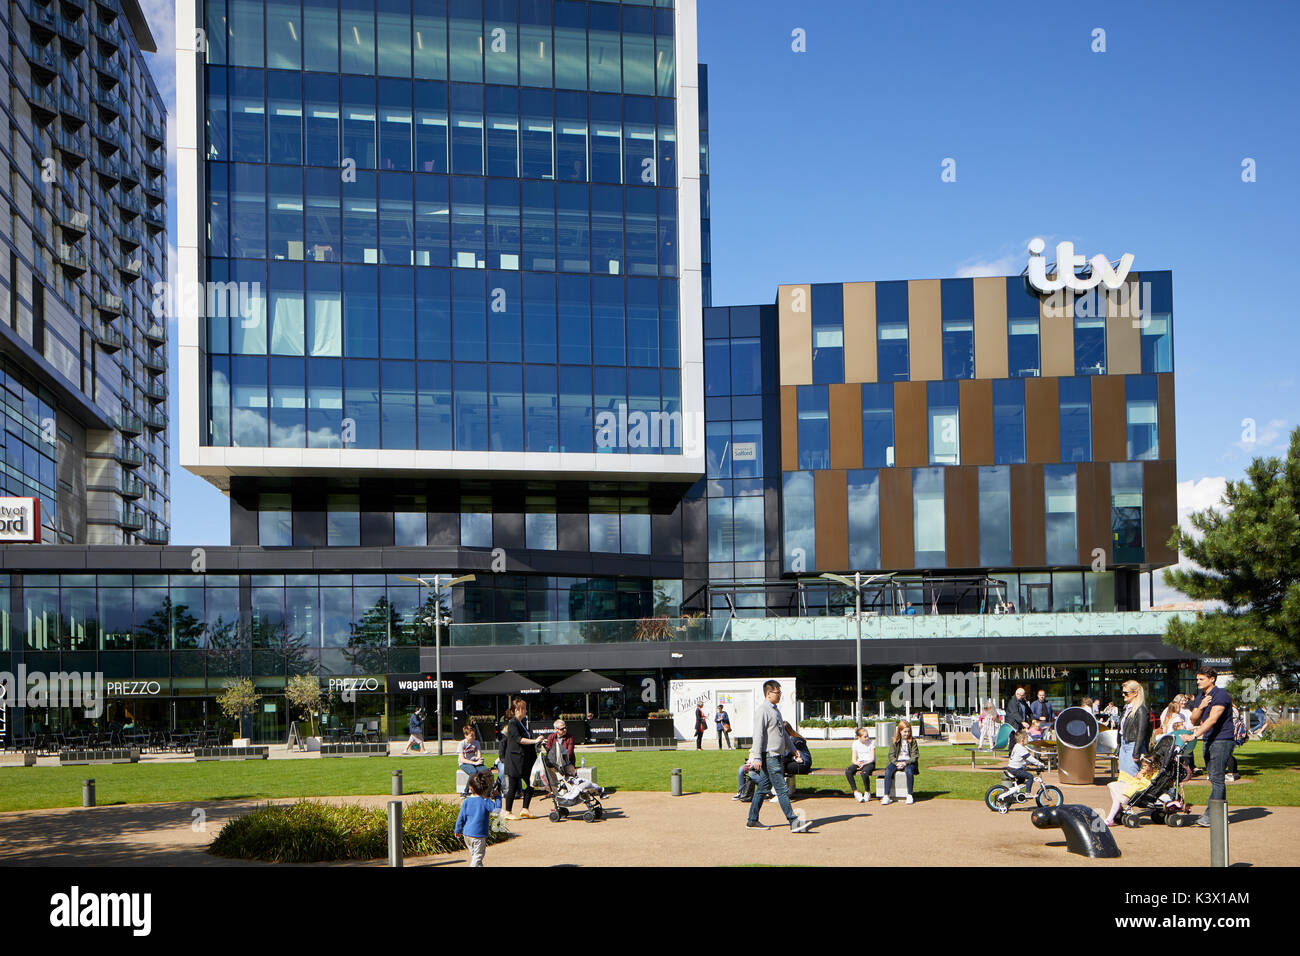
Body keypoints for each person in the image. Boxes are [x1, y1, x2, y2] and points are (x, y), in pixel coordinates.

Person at [744, 680, 812, 832]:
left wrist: (793, 749)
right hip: (769, 755)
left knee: (762, 788)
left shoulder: (776, 710)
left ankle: (752, 820)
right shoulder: (762, 710)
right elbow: (758, 735)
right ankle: (793, 821)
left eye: (780, 692)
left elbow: (783, 734)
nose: (780, 695)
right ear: (768, 694)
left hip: (776, 755)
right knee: (781, 787)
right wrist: (756, 757)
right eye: (777, 692)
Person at [1188, 668, 1234, 827]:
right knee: (1214, 779)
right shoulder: (1201, 696)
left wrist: (1194, 736)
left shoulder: (1220, 695)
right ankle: (1219, 815)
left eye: (1201, 679)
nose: (1198, 682)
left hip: (1222, 740)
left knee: (1217, 779)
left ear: (1212, 679)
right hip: (1209, 739)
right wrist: (1200, 706)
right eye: (1197, 679)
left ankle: (1212, 816)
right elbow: (1193, 719)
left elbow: (1213, 719)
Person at [502, 697, 545, 821]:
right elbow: (519, 739)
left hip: (525, 761)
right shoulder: (512, 723)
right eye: (523, 708)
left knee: (532, 783)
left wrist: (538, 740)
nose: (525, 711)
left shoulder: (522, 723)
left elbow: (526, 739)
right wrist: (534, 741)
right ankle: (508, 812)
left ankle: (525, 809)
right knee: (513, 787)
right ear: (517, 710)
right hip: (515, 760)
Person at [454, 770, 502, 867]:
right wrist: (498, 798)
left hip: (467, 834)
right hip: (479, 835)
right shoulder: (485, 801)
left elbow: (461, 817)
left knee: (475, 857)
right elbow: (496, 810)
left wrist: (458, 829)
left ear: (470, 789)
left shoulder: (467, 801)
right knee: (478, 856)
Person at [1101, 753, 1161, 827]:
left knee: (1117, 799)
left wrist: (1141, 778)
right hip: (1135, 787)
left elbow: (1149, 785)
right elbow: (1136, 781)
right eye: (1143, 765)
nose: (1143, 767)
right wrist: (1138, 776)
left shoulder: (1155, 774)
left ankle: (1109, 819)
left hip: (1139, 792)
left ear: (1153, 765)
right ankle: (1118, 809)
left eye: (1145, 766)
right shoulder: (1146, 772)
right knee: (1113, 786)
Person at [881, 721, 920, 805]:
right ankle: (886, 795)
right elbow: (891, 755)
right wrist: (896, 763)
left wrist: (905, 763)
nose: (907, 733)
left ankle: (909, 794)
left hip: (908, 762)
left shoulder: (913, 741)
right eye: (905, 731)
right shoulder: (895, 741)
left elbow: (915, 756)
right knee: (888, 771)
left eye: (908, 731)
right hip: (897, 761)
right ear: (900, 731)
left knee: (909, 772)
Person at [1118, 681, 1150, 776]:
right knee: (1123, 775)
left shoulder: (1141, 710)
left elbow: (1141, 732)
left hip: (1133, 745)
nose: (1123, 695)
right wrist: (1119, 746)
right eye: (1123, 692)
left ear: (1135, 693)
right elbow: (1121, 730)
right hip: (1124, 743)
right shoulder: (1127, 709)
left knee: (1130, 776)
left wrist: (1136, 752)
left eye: (1126, 693)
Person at [1007, 729, 1046, 794]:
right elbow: (1029, 758)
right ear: (1022, 740)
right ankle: (1028, 793)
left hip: (1012, 768)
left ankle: (1013, 790)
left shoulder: (1016, 746)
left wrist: (1027, 764)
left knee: (1022, 779)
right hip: (1015, 769)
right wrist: (1039, 763)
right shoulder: (1021, 748)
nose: (1028, 740)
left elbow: (1021, 759)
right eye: (1027, 739)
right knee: (1030, 777)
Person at [844, 725, 876, 802]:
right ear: (859, 737)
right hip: (860, 762)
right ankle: (856, 792)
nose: (867, 738)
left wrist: (864, 764)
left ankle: (867, 792)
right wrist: (857, 763)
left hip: (869, 762)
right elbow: (853, 759)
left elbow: (872, 758)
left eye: (867, 736)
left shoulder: (871, 743)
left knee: (864, 773)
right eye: (865, 737)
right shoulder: (855, 744)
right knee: (848, 771)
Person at [457, 724, 489, 794]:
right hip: (464, 763)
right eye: (471, 735)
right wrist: (474, 763)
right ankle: (465, 791)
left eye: (474, 735)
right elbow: (462, 759)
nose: (473, 737)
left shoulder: (476, 742)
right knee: (473, 772)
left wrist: (478, 759)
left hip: (474, 762)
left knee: (485, 770)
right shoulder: (462, 744)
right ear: (466, 735)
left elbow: (479, 755)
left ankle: (485, 790)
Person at [1004, 687, 1032, 756]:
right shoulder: (1012, 702)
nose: (1023, 697)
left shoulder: (1023, 701)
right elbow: (1015, 713)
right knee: (1014, 739)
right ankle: (1011, 755)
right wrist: (1022, 722)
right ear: (1017, 694)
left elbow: (1028, 711)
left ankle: (1017, 754)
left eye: (1024, 695)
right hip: (1012, 724)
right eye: (1022, 695)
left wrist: (1033, 719)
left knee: (1019, 739)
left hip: (1019, 723)